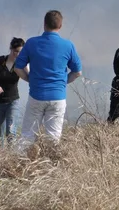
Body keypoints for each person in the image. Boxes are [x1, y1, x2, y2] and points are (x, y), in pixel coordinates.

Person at [14, 10, 82, 152]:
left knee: (27, 135)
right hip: (58, 97)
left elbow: (18, 68)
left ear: (44, 24)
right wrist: (63, 82)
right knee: (53, 137)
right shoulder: (68, 45)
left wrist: (29, 79)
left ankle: (19, 165)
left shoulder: (32, 43)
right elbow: (77, 72)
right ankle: (50, 168)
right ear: (60, 26)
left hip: (36, 96)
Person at [0, 37, 26, 147]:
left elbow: (29, 76)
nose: (18, 54)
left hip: (13, 101)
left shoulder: (21, 64)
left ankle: (11, 158)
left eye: (20, 52)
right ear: (11, 49)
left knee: (11, 132)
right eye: (16, 51)